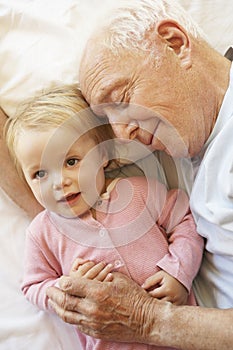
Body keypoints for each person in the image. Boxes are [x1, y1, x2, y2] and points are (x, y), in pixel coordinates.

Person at [44, 0, 233, 349]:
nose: (121, 135)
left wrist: (149, 320)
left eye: (121, 98)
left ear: (175, 43)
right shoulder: (190, 140)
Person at [5, 84, 203, 350]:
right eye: (39, 174)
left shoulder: (137, 192)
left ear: (103, 155)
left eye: (71, 162)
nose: (59, 182)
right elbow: (33, 286)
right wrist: (65, 288)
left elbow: (186, 221)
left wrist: (179, 271)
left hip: (184, 334)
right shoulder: (42, 232)